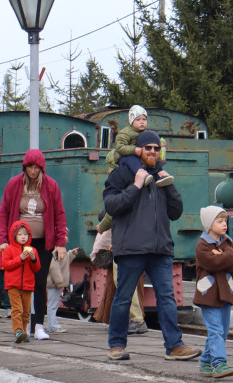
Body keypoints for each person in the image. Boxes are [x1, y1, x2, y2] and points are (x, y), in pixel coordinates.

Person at [103, 128, 200, 362]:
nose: (153, 152)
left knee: (167, 298)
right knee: (124, 298)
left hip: (160, 250)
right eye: (148, 148)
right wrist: (135, 186)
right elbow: (111, 206)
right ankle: (116, 345)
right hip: (132, 249)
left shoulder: (161, 175)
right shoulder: (122, 174)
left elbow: (176, 212)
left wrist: (169, 186)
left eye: (157, 148)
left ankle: (174, 346)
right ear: (140, 150)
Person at [0, 149, 68, 341]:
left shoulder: (51, 186)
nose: (34, 171)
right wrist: (3, 240)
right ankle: (24, 325)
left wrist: (60, 243)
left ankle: (39, 326)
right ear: (25, 167)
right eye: (30, 167)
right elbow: (4, 213)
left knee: (39, 283)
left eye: (37, 167)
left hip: (42, 243)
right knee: (21, 284)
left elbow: (60, 215)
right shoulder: (14, 185)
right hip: (19, 243)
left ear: (42, 167)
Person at [96, 105, 173, 234]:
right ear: (132, 121)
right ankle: (103, 226)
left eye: (144, 119)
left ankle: (159, 176)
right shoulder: (126, 132)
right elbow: (120, 147)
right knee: (132, 161)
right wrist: (134, 150)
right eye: (138, 119)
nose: (142, 122)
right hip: (124, 158)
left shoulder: (145, 134)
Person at [194, 205, 233, 379]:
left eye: (225, 221)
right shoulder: (202, 245)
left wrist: (223, 254)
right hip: (208, 294)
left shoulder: (229, 243)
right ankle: (219, 363)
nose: (224, 224)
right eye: (220, 221)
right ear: (209, 224)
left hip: (226, 293)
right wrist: (231, 256)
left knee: (222, 330)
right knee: (215, 329)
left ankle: (205, 360)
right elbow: (212, 264)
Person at [2, 221, 42, 343]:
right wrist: (19, 259)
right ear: (14, 236)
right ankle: (17, 331)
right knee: (17, 309)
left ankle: (24, 332)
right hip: (13, 285)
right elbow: (6, 265)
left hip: (28, 285)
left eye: (25, 234)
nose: (23, 237)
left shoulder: (33, 250)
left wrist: (33, 258)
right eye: (20, 234)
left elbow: (37, 268)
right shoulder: (9, 249)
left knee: (25, 312)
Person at [45, 245, 82, 332]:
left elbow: (65, 261)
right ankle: (52, 326)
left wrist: (71, 253)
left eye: (66, 235)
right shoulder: (56, 252)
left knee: (54, 304)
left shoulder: (62, 251)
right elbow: (54, 268)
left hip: (56, 283)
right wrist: (59, 282)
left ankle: (53, 324)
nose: (65, 237)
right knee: (52, 304)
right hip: (54, 283)